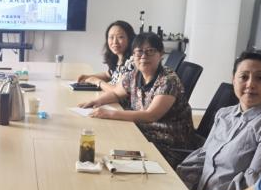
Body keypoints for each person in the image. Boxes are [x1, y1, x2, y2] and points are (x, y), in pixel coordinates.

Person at [78, 32, 194, 167]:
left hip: (167, 146)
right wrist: (96, 102)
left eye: (150, 51)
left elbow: (151, 115)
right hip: (144, 134)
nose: (144, 56)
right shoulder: (134, 74)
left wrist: (110, 113)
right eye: (139, 52)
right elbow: (116, 94)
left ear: (161, 54)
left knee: (110, 149)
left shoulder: (168, 80)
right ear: (133, 55)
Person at [176, 51, 261, 190]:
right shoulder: (224, 114)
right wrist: (177, 186)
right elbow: (202, 157)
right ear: (233, 80)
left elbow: (250, 188)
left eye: (260, 78)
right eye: (244, 77)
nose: (250, 84)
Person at [76, 20, 136, 93]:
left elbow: (118, 91)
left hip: (119, 100)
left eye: (120, 37)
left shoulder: (132, 62)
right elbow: (108, 75)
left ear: (130, 39)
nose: (114, 42)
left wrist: (97, 81)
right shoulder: (117, 58)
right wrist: (89, 77)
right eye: (111, 37)